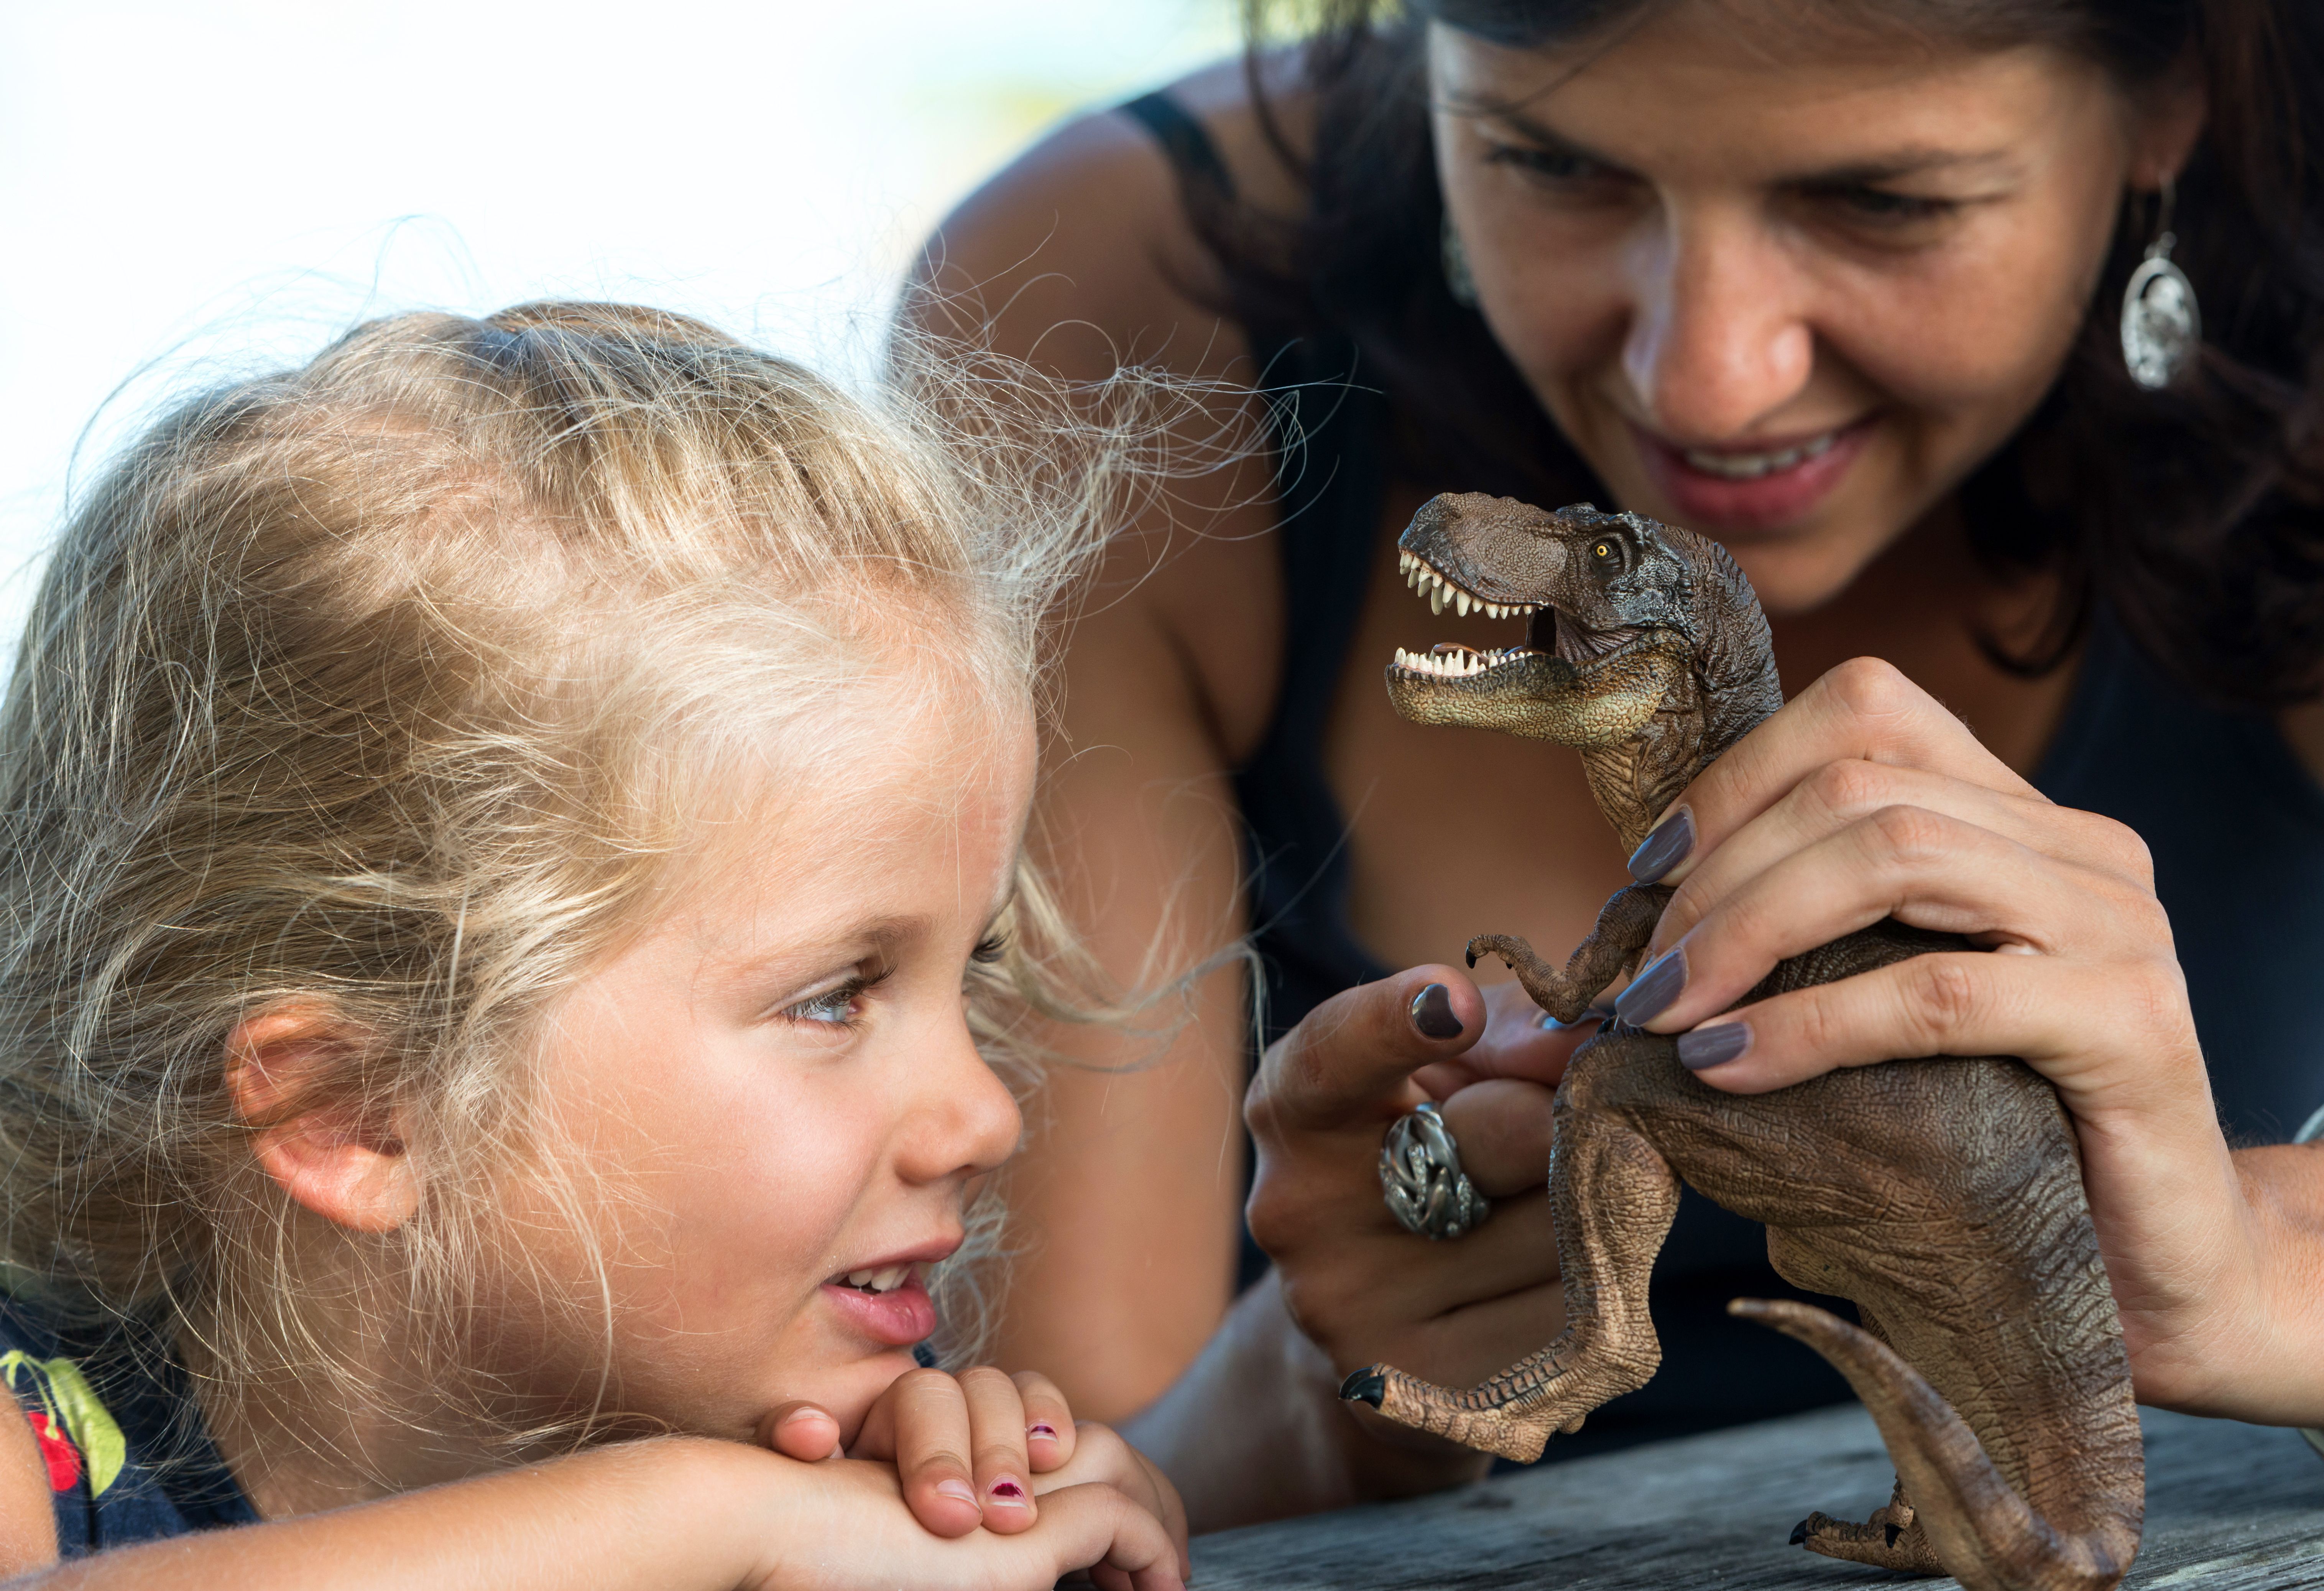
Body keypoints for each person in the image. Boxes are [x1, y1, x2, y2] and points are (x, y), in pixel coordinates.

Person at [909, 0, 2324, 1505]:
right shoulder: (1110, 313)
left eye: (1880, 201)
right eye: (1553, 166)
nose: (1707, 380)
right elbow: (1042, 1497)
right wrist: (1337, 1390)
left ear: (2170, 98)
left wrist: (2260, 1265)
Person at [0, 303, 1197, 1585]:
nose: (987, 1118)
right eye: (834, 998)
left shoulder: (833, 1439)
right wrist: (722, 1525)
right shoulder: (33, 1461)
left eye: (976, 967)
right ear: (359, 1111)